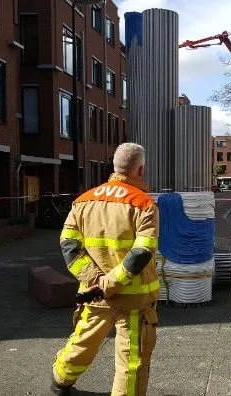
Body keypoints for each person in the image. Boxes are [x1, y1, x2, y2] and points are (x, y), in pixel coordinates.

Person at [52, 143, 160, 395]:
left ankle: (60, 381)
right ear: (140, 170)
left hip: (93, 294)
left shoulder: (83, 201)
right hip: (133, 298)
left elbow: (69, 245)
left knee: (83, 342)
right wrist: (109, 283)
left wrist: (94, 280)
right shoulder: (144, 205)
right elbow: (142, 252)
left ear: (114, 167)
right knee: (131, 360)